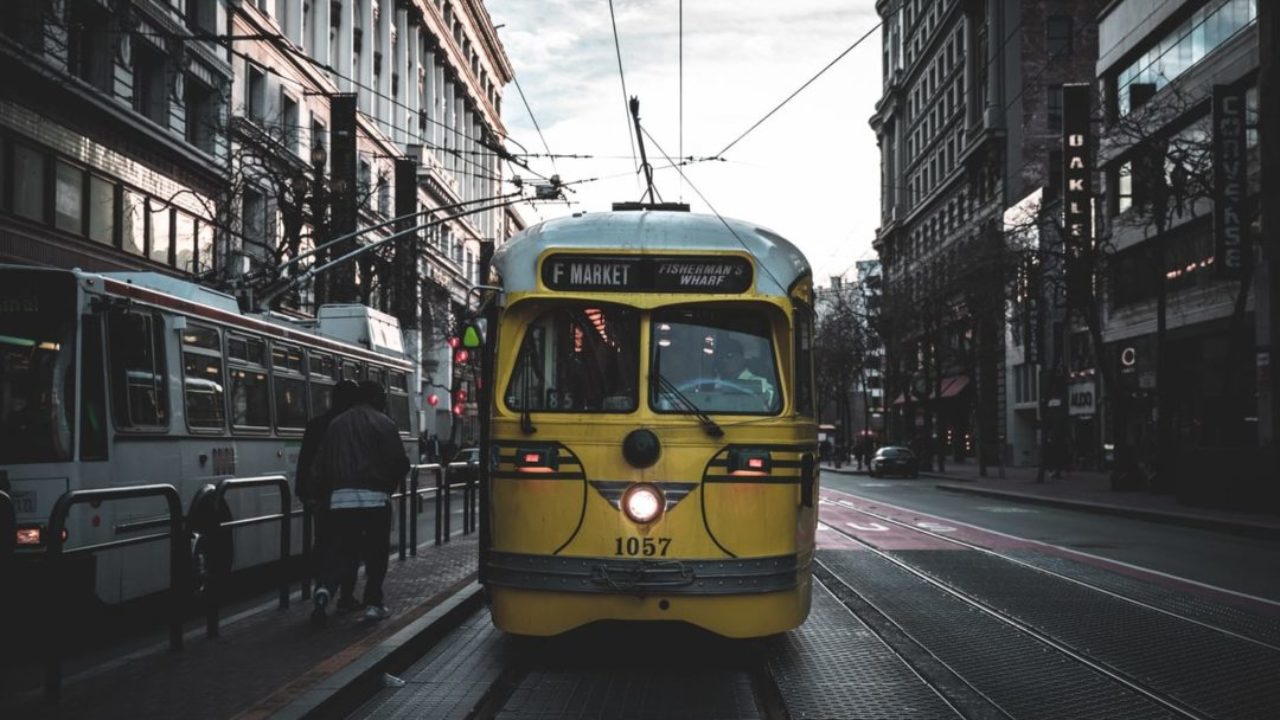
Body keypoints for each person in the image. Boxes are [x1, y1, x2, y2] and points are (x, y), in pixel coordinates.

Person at [311, 381, 409, 625]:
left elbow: (320, 466)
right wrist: (390, 483)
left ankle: (325, 590)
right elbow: (398, 460)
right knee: (376, 553)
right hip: (375, 497)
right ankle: (373, 602)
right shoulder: (384, 423)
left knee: (343, 550)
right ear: (377, 399)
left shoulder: (336, 425)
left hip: (340, 499)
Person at [296, 379, 361, 612]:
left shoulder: (316, 425)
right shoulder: (355, 426)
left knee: (323, 543)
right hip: (352, 497)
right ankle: (345, 595)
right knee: (350, 545)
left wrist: (304, 493)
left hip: (323, 497)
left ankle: (322, 586)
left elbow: (305, 463)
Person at [714, 337, 776, 409]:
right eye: (720, 357)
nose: (724, 360)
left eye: (729, 355)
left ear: (741, 359)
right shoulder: (716, 383)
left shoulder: (759, 383)